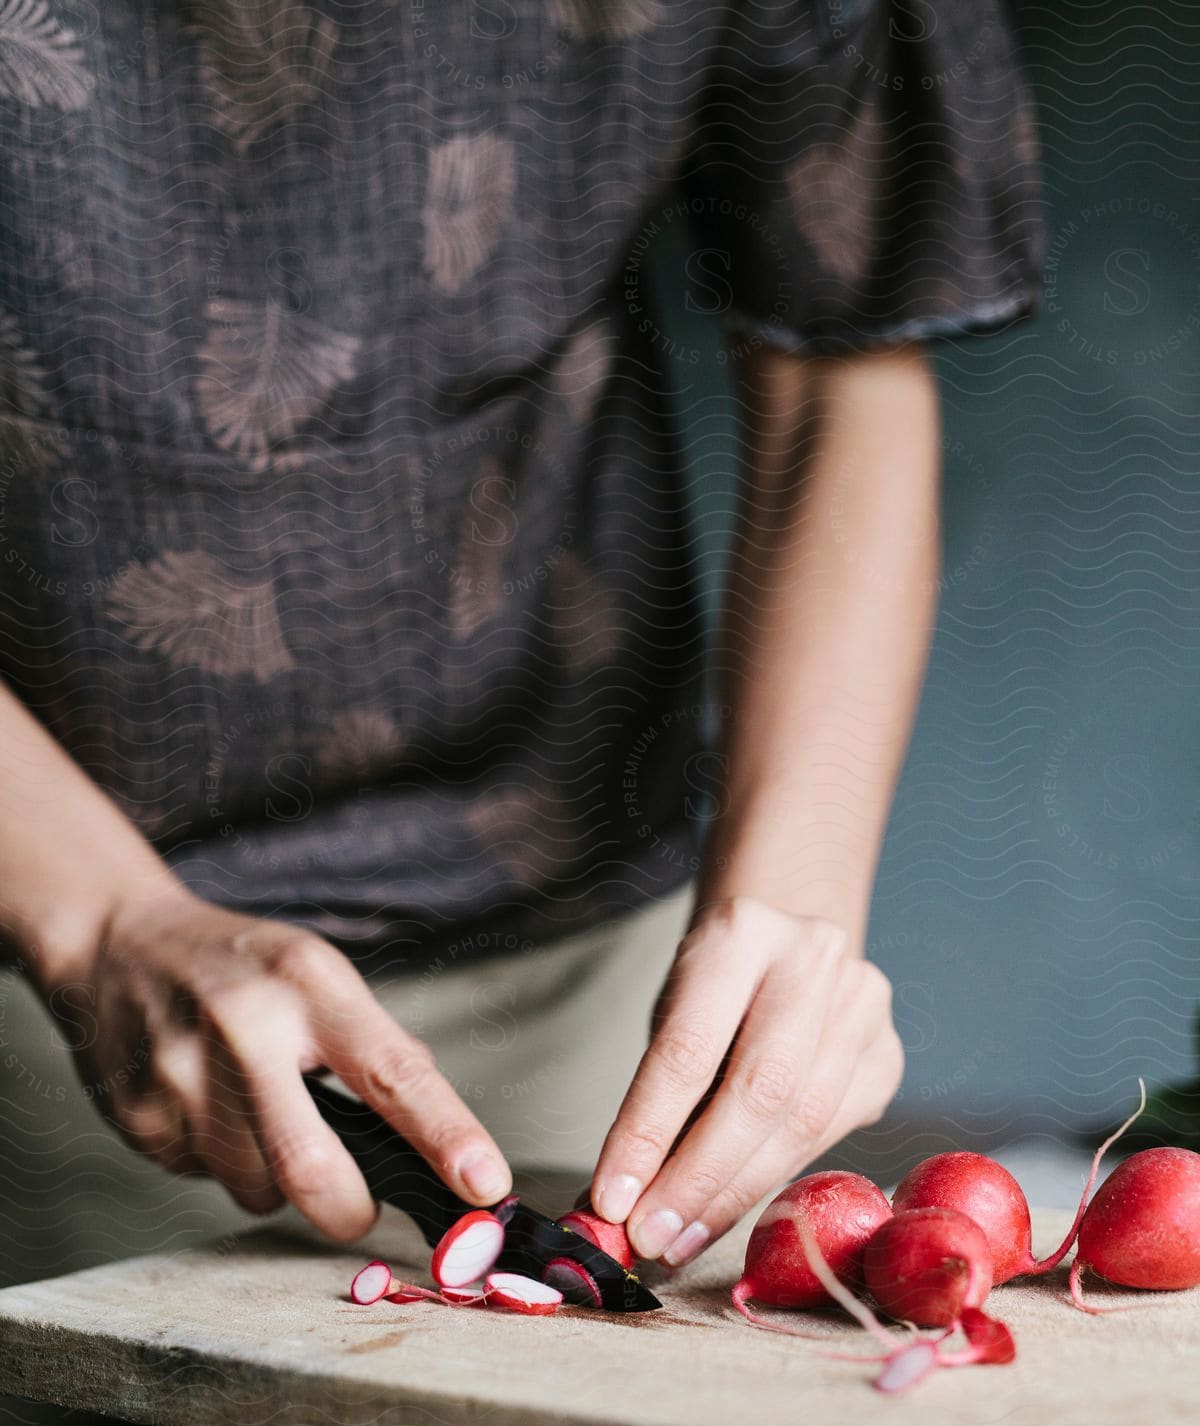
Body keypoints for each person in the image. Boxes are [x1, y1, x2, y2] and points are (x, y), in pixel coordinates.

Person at [0, 2, 1042, 1271]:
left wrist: (794, 900)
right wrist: (94, 915)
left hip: (600, 974)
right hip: (42, 1026)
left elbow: (840, 361)